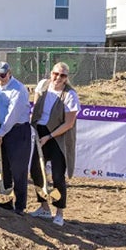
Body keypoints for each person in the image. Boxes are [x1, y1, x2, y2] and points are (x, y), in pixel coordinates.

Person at [29, 62, 80, 226]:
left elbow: (69, 123)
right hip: (40, 133)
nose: (58, 78)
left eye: (62, 75)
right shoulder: (43, 86)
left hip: (59, 137)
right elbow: (36, 109)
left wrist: (49, 137)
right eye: (56, 74)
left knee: (58, 176)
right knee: (36, 171)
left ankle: (59, 212)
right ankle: (44, 207)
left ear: (67, 78)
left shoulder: (70, 95)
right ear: (51, 73)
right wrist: (36, 130)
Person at [0, 61, 32, 215]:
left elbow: (12, 115)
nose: (0, 78)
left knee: (18, 170)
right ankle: (6, 201)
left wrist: (1, 133)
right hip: (3, 128)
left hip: (17, 131)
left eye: (2, 75)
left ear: (10, 73)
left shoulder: (19, 89)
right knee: (3, 167)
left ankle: (20, 205)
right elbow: (1, 107)